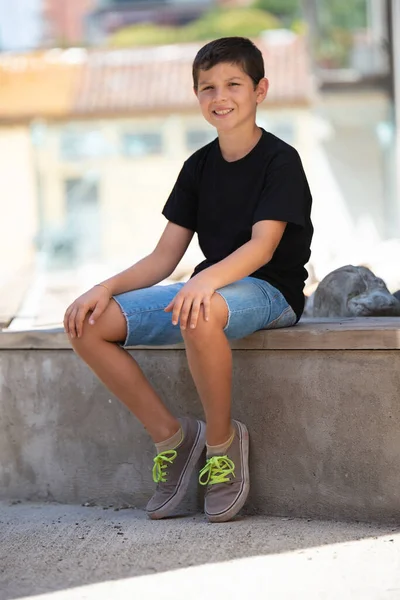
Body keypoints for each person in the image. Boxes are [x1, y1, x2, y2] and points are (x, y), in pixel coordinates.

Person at [64, 36, 313, 523]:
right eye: (207, 88)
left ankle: (223, 446)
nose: (220, 97)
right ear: (197, 96)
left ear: (260, 90)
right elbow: (164, 256)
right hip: (210, 291)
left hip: (269, 293)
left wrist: (205, 284)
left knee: (199, 310)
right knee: (88, 323)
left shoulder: (281, 161)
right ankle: (174, 439)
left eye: (233, 84)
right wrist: (105, 289)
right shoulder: (197, 167)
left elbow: (263, 247)